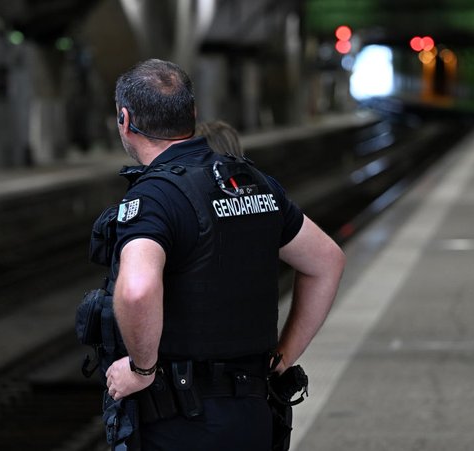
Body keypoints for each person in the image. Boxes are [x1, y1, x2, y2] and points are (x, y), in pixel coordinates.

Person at [102, 58, 345, 450]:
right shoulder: (255, 183)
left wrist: (141, 369)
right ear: (193, 114)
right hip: (254, 413)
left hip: (182, 420)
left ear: (125, 120)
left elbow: (136, 290)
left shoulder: (154, 198)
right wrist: (284, 356)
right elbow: (327, 261)